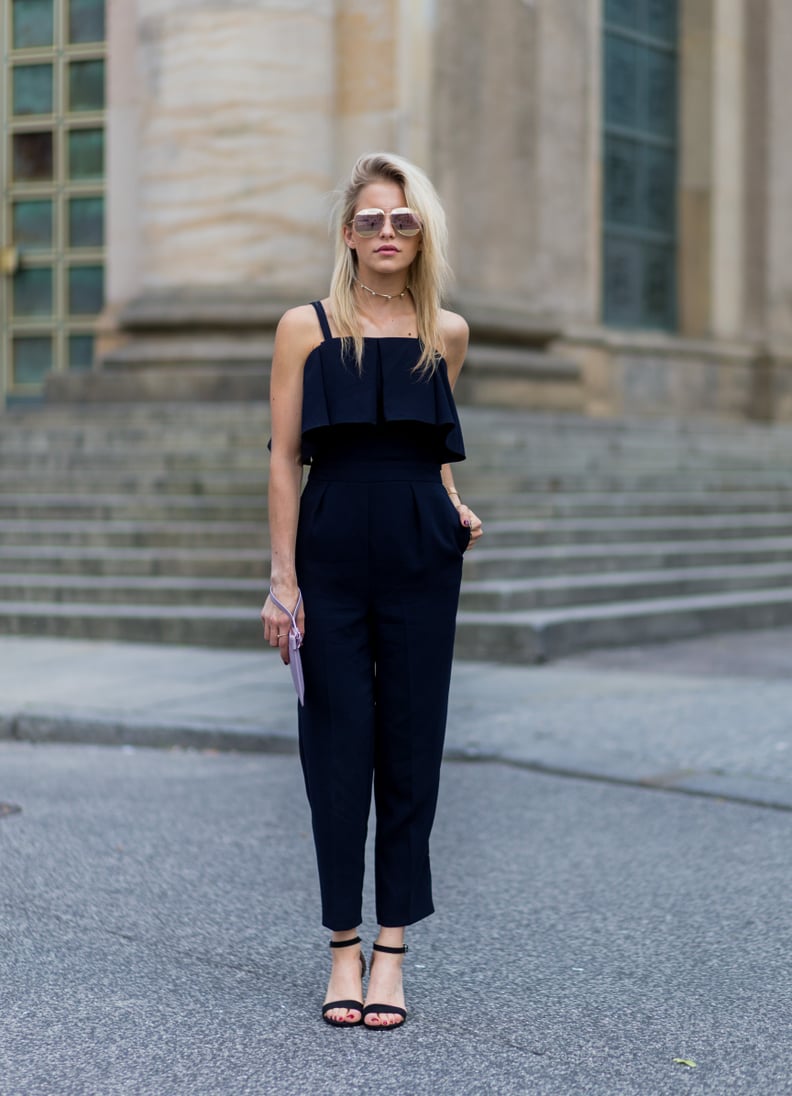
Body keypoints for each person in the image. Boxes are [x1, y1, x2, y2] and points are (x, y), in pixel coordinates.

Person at [261, 152, 483, 1030]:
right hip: (331, 553)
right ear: (346, 234)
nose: (386, 233)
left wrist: (456, 505)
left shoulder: (447, 333)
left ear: (422, 232)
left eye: (403, 220)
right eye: (370, 220)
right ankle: (341, 947)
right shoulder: (306, 328)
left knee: (412, 749)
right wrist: (283, 582)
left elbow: (428, 446)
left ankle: (392, 950)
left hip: (422, 554)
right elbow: (284, 457)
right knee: (336, 751)